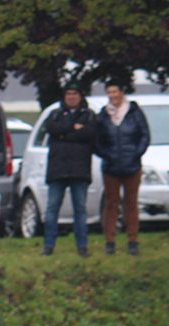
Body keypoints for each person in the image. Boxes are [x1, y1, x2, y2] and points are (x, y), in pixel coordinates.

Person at [41, 82, 97, 257]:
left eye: (75, 94)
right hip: (58, 169)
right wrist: (73, 128)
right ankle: (48, 245)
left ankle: (82, 246)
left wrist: (65, 133)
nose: (71, 97)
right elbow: (52, 129)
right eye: (68, 94)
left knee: (80, 209)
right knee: (52, 209)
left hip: (79, 170)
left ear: (80, 96)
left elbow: (89, 134)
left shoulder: (88, 115)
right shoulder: (55, 114)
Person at [95, 81, 150, 256]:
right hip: (111, 166)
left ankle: (132, 239)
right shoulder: (103, 115)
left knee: (131, 203)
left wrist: (136, 154)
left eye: (115, 91)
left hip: (132, 165)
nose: (112, 95)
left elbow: (144, 135)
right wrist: (106, 155)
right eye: (109, 92)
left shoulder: (134, 112)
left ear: (121, 92)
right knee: (111, 203)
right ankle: (110, 240)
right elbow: (97, 140)